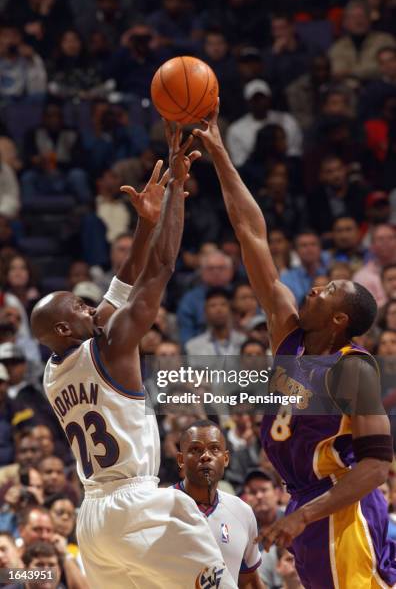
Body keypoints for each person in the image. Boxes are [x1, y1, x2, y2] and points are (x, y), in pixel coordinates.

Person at [192, 101, 396, 587]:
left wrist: (307, 515)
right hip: (305, 500)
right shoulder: (291, 336)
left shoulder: (353, 369)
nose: (313, 288)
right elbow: (252, 236)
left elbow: (376, 467)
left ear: (341, 319)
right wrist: (220, 154)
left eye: (326, 292)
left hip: (340, 509)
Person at [30, 123, 237, 589]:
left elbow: (113, 295)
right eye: (80, 306)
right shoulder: (113, 344)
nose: (92, 307)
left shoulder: (52, 371)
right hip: (138, 505)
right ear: (66, 327)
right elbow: (160, 269)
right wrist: (178, 189)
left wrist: (144, 224)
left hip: (95, 522)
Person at [174, 420, 265, 588]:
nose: (206, 455)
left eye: (214, 448)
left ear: (226, 458)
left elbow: (250, 582)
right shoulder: (158, 505)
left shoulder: (242, 512)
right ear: (180, 459)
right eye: (195, 449)